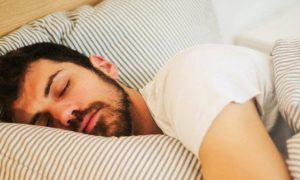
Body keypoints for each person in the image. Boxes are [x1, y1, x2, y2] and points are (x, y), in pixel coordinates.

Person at [0, 42, 291, 179]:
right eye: (45, 123)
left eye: (63, 88)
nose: (65, 115)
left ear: (103, 66)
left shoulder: (189, 75)